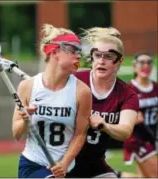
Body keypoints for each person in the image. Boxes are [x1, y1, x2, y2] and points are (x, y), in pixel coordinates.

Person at [12, 24, 92, 178]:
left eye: (79, 50)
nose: (79, 55)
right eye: (73, 49)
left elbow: (80, 134)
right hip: (32, 164)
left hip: (65, 169)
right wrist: (24, 120)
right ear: (55, 52)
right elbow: (16, 133)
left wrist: (64, 163)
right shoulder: (27, 87)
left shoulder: (82, 92)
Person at [66, 27, 139, 178]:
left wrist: (105, 125)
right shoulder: (74, 81)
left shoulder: (127, 94)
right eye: (97, 55)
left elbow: (125, 131)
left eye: (109, 56)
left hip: (94, 164)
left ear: (120, 60)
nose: (101, 61)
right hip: (62, 160)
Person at [121, 52, 158, 178]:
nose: (146, 65)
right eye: (142, 62)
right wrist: (131, 118)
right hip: (137, 139)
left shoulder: (156, 87)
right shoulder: (129, 90)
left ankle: (118, 176)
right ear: (134, 66)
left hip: (152, 137)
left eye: (149, 62)